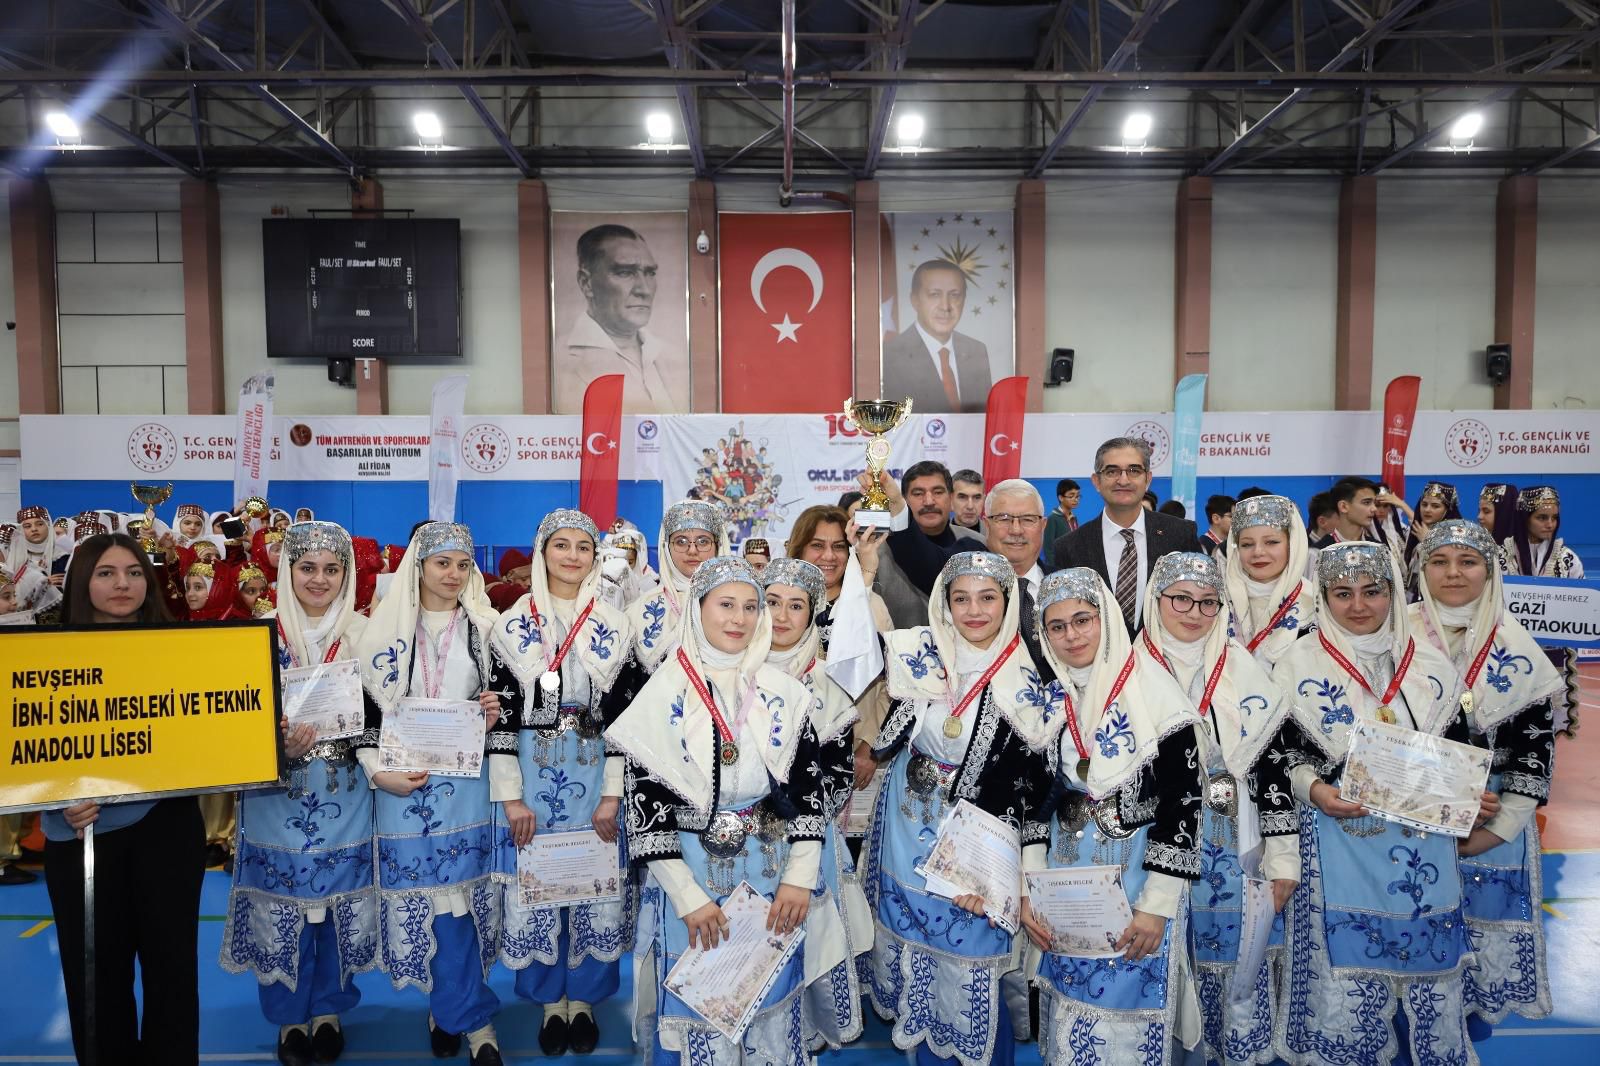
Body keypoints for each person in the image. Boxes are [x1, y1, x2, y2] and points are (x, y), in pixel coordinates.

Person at [827, 550, 1057, 1065]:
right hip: (906, 829)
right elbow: (851, 652)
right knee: (916, 965)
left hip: (979, 845)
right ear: (944, 604)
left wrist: (1009, 870)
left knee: (974, 969)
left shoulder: (1031, 678)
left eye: (987, 598)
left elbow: (1032, 788)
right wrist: (865, 572)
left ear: (1008, 603)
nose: (974, 610)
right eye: (961, 598)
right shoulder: (922, 655)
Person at [608, 555, 826, 1062]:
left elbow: (808, 792)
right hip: (690, 871)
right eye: (726, 605)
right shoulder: (662, 693)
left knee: (766, 988)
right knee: (701, 992)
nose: (739, 619)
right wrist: (688, 898)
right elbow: (647, 811)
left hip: (770, 871)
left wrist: (799, 877)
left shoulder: (784, 693)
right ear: (698, 609)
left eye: (751, 607)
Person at [1275, 542, 1485, 1066]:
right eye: (1342, 593)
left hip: (1423, 849)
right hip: (1334, 845)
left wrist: (1470, 793)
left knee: (1425, 968)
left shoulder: (1429, 663)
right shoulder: (1295, 663)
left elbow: (1460, 746)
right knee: (1347, 973)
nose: (1358, 606)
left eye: (1372, 591)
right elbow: (1277, 755)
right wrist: (1313, 789)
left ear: (1393, 591)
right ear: (1323, 597)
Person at [1021, 567, 1204, 1065]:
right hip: (1064, 886)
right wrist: (1031, 885)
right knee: (1074, 1013)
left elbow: (1183, 806)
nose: (1072, 636)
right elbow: (1032, 800)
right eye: (1057, 626)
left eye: (1083, 620)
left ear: (1106, 618)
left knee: (1130, 1015)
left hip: (1138, 884)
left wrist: (1157, 906)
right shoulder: (1047, 698)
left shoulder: (1158, 696)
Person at [355, 522, 521, 1066]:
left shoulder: (487, 629)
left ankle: (469, 1019)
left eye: (462, 565)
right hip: (401, 788)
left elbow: (508, 712)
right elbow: (363, 713)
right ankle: (453, 1008)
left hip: (467, 789)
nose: (452, 574)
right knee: (428, 907)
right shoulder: (380, 633)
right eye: (441, 563)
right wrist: (377, 772)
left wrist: (493, 712)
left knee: (463, 906)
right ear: (419, 566)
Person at [1134, 554, 1309, 1063]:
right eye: (1181, 600)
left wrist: (1283, 859)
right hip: (1153, 845)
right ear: (1155, 600)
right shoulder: (1127, 668)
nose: (1194, 613)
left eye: (1208, 603)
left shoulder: (1241, 668)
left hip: (1235, 844)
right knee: (1165, 963)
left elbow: (1274, 768)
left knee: (1234, 970)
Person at [45, 533, 207, 1063]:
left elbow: (211, 730)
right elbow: (21, 743)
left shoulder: (182, 651)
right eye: (107, 573)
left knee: (172, 973)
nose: (123, 584)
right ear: (81, 581)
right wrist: (56, 797)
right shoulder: (40, 654)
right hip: (81, 836)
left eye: (135, 573)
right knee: (96, 979)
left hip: (168, 828)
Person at [220, 521, 377, 1066]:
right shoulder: (257, 634)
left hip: (346, 792)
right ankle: (289, 1017)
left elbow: (386, 716)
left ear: (346, 575)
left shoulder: (366, 634)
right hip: (275, 796)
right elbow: (233, 718)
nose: (319, 579)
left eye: (332, 569)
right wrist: (275, 743)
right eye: (307, 567)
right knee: (280, 906)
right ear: (286, 571)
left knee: (337, 905)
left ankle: (330, 1010)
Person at [488, 510, 639, 1057]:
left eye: (583, 547)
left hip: (596, 770)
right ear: (542, 551)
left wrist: (612, 793)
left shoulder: (616, 626)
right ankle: (551, 1002)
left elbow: (626, 717)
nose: (572, 556)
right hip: (532, 773)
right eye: (561, 545)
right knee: (539, 883)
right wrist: (510, 799)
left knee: (594, 880)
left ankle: (585, 1001)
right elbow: (502, 719)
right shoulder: (509, 627)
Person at [1410, 519, 1564, 1036]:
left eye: (1468, 562)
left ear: (1490, 571)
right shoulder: (1395, 637)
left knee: (1476, 967)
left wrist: (1494, 832)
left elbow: (1533, 753)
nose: (1453, 573)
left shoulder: (1519, 650)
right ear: (1422, 570)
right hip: (1406, 824)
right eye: (1439, 562)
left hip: (1492, 832)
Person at [760, 557, 871, 1051]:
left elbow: (840, 770)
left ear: (812, 614)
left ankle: (809, 1028)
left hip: (807, 835)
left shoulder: (825, 680)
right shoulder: (731, 668)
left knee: (812, 930)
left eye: (796, 606)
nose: (782, 616)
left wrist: (799, 818)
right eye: (771, 602)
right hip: (745, 841)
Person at [784, 505, 895, 793]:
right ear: (798, 549)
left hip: (855, 758)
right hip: (785, 756)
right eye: (817, 545)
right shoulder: (777, 609)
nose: (829, 556)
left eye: (838, 546)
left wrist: (870, 747)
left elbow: (892, 685)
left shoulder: (872, 606)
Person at [1051, 437, 1205, 635]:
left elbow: (1199, 602)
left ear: (1148, 479)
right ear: (1096, 481)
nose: (1123, 480)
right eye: (1112, 471)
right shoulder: (1069, 547)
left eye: (1134, 470)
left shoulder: (1180, 534)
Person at [554, 223, 687, 413]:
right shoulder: (558, 361)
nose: (645, 290)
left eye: (650, 273)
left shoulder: (674, 356)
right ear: (586, 283)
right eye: (625, 273)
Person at [1502, 486, 1585, 737]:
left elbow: (1581, 608)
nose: (1550, 524)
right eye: (1542, 517)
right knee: (1506, 721)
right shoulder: (1500, 557)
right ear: (1524, 517)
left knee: (1545, 724)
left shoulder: (1568, 560)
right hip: (1507, 654)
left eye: (1554, 518)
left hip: (1552, 657)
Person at [629, 500, 730, 672]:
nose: (692, 550)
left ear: (718, 546)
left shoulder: (740, 606)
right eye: (681, 542)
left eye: (703, 541)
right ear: (666, 547)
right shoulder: (638, 611)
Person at [881, 259, 993, 413]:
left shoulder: (976, 350)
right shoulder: (889, 355)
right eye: (934, 295)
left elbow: (984, 417)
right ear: (914, 300)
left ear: (964, 300)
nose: (945, 306)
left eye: (955, 295)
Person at [1222, 495, 1315, 674]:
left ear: (1293, 544)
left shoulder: (1316, 604)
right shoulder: (1216, 603)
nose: (1258, 552)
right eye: (1246, 544)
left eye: (1271, 542)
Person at [982, 478, 1047, 660]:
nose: (1016, 530)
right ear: (987, 526)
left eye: (1028, 519)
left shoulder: (1066, 586)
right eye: (1004, 519)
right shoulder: (964, 592)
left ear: (1043, 526)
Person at [1402, 481, 1461, 595]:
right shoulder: (1417, 530)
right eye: (1424, 504)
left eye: (1435, 506)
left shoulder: (1457, 536)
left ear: (1447, 509)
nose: (1427, 510)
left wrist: (1427, 541)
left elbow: (1447, 566)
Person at [7, 505, 66, 587]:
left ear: (48, 526)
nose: (34, 529)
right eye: (27, 526)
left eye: (40, 524)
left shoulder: (62, 557)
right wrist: (41, 584)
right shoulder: (12, 557)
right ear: (20, 530)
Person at [1327, 476, 1380, 545]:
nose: (1374, 509)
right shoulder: (1320, 550)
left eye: (1375, 503)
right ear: (1343, 507)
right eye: (1367, 502)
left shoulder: (1378, 548)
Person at [1040, 479, 1080, 565]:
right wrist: (1056, 568)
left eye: (1077, 496)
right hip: (1058, 568)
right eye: (1071, 496)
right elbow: (1048, 549)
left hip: (1072, 565)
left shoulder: (1074, 519)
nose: (1076, 499)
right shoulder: (1052, 519)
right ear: (1061, 498)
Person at [951, 469, 985, 534]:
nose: (970, 506)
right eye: (962, 497)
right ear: (951, 500)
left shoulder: (995, 534)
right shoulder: (936, 535)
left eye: (977, 498)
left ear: (983, 500)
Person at [1200, 494, 1234, 559]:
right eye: (1231, 516)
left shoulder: (1233, 545)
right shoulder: (1202, 547)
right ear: (1216, 519)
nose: (1237, 520)